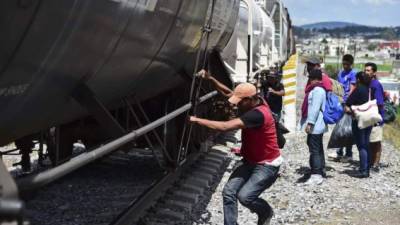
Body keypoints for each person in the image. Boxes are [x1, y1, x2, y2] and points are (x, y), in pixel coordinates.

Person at [190, 69, 282, 225]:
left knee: (245, 196)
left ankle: (265, 212)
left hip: (267, 165)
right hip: (250, 161)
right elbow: (228, 93)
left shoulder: (257, 114)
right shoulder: (254, 100)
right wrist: (211, 77)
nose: (236, 104)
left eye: (240, 101)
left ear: (250, 99)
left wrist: (196, 120)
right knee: (229, 193)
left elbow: (226, 126)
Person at [301, 69, 327, 185]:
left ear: (313, 79)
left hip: (316, 125)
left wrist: (310, 123)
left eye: (310, 78)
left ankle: (316, 175)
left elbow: (315, 108)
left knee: (314, 150)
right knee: (318, 148)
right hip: (318, 124)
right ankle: (321, 170)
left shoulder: (317, 90)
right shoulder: (320, 89)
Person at [345, 72, 373, 178]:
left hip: (359, 120)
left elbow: (348, 103)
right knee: (366, 144)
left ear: (358, 80)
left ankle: (363, 170)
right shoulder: (370, 89)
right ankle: (367, 168)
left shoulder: (358, 89)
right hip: (369, 119)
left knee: (361, 146)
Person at [332, 54, 357, 162]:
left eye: (347, 64)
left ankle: (349, 153)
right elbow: (338, 86)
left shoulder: (353, 74)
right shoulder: (340, 73)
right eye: (344, 64)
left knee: (347, 129)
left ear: (351, 64)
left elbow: (352, 89)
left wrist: (347, 103)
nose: (345, 66)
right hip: (340, 102)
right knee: (339, 127)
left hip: (348, 103)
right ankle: (339, 151)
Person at [365, 62, 385, 172]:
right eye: (365, 70)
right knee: (369, 141)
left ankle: (376, 164)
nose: (366, 72)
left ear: (373, 72)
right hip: (368, 117)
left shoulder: (376, 84)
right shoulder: (367, 83)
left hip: (376, 117)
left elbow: (380, 103)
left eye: (368, 70)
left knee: (376, 141)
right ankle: (370, 162)